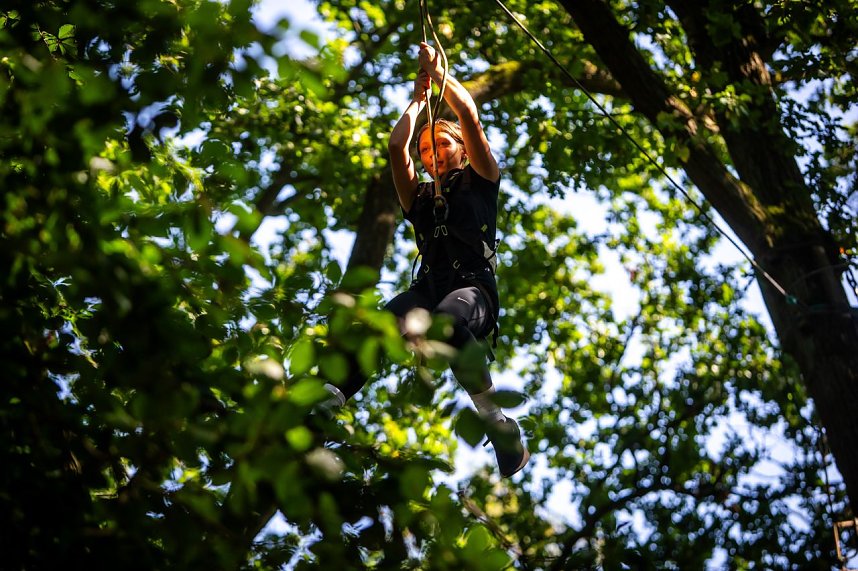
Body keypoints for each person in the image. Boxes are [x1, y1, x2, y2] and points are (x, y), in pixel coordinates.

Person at [321, 42, 529, 478]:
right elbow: (398, 148)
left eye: (441, 144)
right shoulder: (418, 197)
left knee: (448, 323)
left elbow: (469, 115)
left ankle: (497, 422)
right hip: (427, 287)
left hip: (473, 288)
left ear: (463, 150)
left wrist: (439, 77)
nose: (431, 153)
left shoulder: (482, 179)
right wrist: (417, 105)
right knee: (375, 329)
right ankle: (326, 402)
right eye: (427, 150)